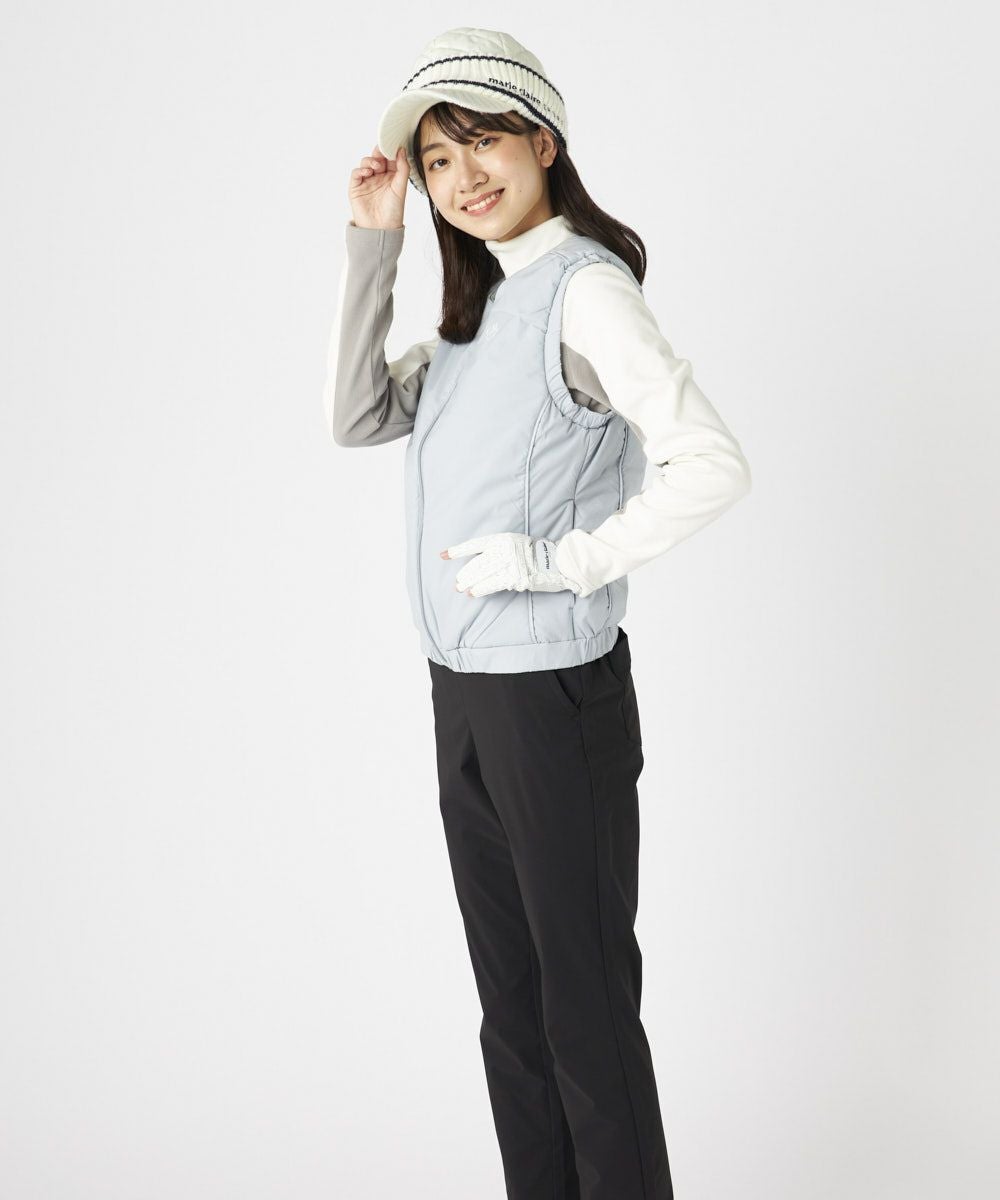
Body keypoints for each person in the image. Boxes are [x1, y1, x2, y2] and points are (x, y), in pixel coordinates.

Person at [324, 27, 752, 1200]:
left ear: (542, 142)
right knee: (511, 1013)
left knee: (583, 1011)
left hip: (553, 699)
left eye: (483, 142)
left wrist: (562, 564)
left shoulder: (583, 291)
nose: (462, 176)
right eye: (436, 159)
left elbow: (710, 463)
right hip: (464, 694)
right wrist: (375, 244)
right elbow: (357, 415)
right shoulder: (478, 319)